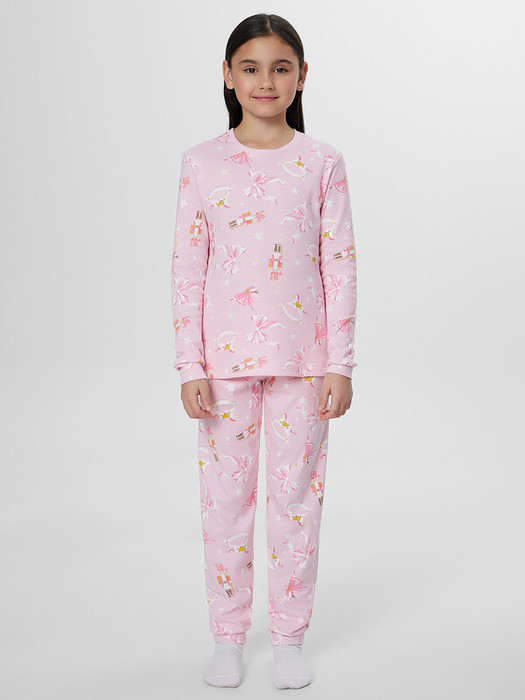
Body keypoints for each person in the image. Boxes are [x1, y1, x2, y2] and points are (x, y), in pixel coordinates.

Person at [170, 13, 358, 689]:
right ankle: (227, 636)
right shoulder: (201, 163)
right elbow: (188, 269)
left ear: (301, 76)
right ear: (228, 75)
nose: (265, 81)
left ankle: (288, 638)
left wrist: (339, 364)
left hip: (303, 366)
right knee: (224, 506)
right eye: (250, 68)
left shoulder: (322, 162)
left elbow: (339, 265)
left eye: (280, 68)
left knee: (295, 504)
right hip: (222, 371)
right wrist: (190, 365)